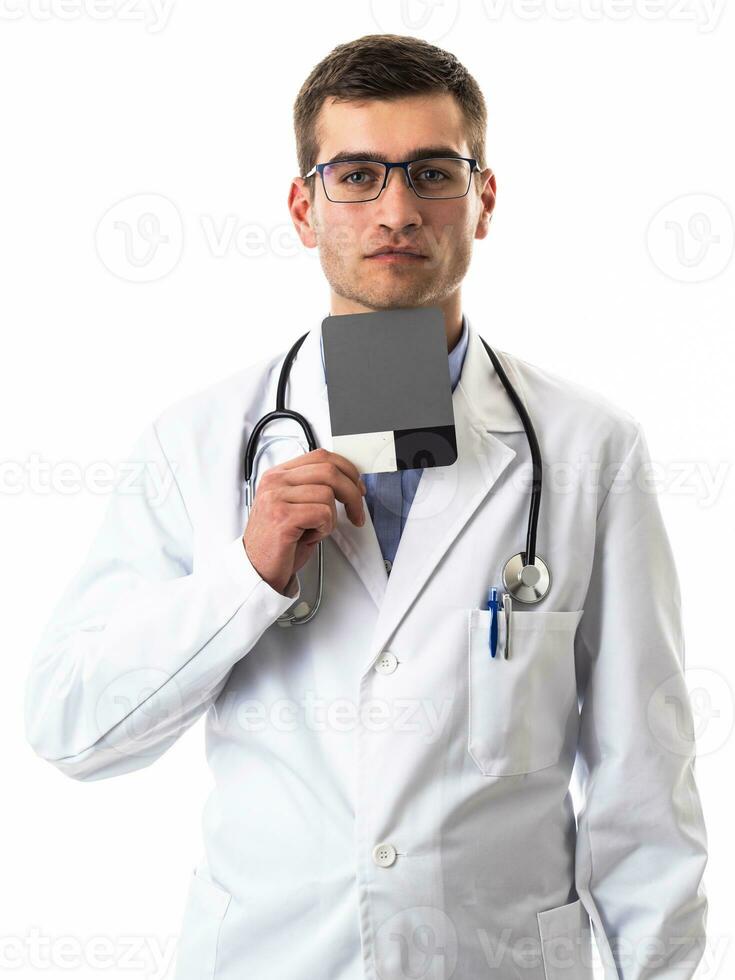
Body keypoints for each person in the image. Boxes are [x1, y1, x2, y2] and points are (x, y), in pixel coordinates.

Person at [25, 33, 708, 980]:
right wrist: (246, 574)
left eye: (432, 172)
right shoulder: (197, 441)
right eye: (355, 175)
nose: (395, 210)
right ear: (305, 208)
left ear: (484, 199)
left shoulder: (589, 450)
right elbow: (72, 730)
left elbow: (644, 776)